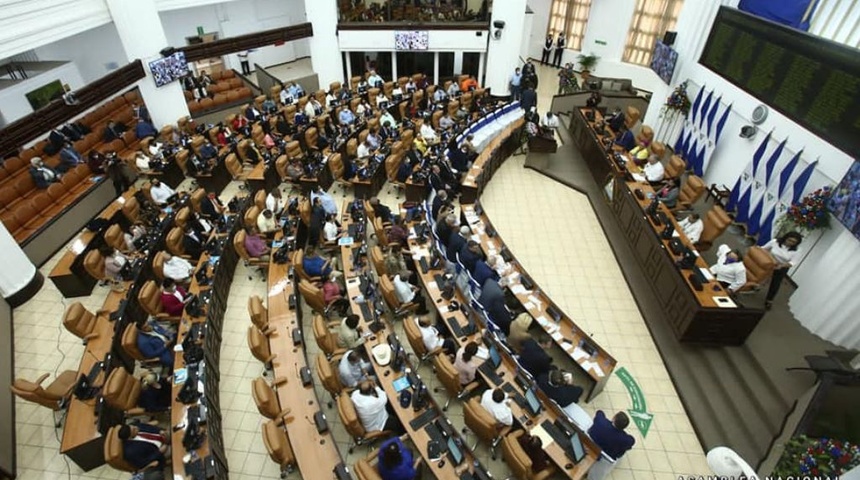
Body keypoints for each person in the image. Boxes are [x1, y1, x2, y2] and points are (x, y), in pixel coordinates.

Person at [761, 232, 802, 309]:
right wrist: (770, 259)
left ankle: (769, 300)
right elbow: (763, 249)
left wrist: (781, 266)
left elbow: (792, 262)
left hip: (782, 265)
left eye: (793, 242)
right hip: (769, 260)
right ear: (785, 238)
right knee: (759, 274)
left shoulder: (797, 250)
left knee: (776, 283)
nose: (790, 243)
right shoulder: (775, 242)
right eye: (789, 240)